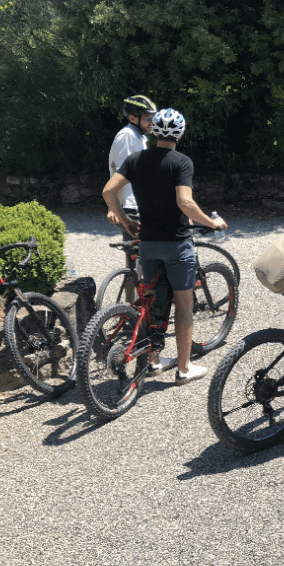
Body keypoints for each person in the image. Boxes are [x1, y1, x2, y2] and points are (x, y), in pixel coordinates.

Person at [102, 107, 226, 384]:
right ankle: (184, 369)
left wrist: (124, 221)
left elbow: (108, 191)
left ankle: (155, 363)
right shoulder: (181, 162)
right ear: (180, 133)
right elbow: (185, 202)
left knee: (152, 304)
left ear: (154, 129)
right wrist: (211, 223)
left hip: (148, 244)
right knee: (184, 304)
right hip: (176, 244)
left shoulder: (135, 160)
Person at [107, 95, 157, 303]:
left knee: (137, 262)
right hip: (132, 207)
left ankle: (134, 309)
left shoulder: (139, 137)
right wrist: (115, 207)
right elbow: (121, 174)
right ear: (132, 117)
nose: (151, 123)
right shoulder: (127, 137)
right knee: (147, 259)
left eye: (152, 118)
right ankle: (138, 310)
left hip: (135, 204)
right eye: (147, 118)